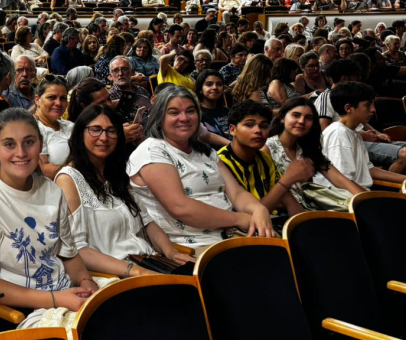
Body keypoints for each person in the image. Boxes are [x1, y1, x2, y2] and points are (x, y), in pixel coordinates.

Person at [0, 109, 97, 325]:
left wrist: (86, 282)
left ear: (41, 145)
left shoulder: (52, 190)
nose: (21, 152)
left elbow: (68, 254)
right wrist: (55, 299)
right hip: (21, 309)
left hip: (64, 292)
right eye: (9, 144)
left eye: (29, 142)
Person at [127, 86, 274, 250]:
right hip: (189, 246)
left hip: (231, 235)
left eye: (190, 111)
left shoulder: (204, 150)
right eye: (174, 112)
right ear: (160, 117)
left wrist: (258, 209)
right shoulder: (152, 151)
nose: (184, 118)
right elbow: (180, 207)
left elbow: (236, 193)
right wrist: (239, 219)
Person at [57, 105, 193, 280]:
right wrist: (136, 271)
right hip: (113, 276)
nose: (104, 138)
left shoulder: (116, 175)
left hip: (147, 262)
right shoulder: (68, 179)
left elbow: (147, 223)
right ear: (79, 134)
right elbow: (77, 249)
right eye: (95, 130)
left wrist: (171, 252)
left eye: (111, 131)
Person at [265, 96, 366, 209]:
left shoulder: (306, 148)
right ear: (282, 118)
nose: (301, 121)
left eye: (308, 118)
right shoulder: (267, 148)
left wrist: (368, 200)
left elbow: (340, 180)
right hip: (278, 212)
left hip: (307, 209)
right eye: (296, 115)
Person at [216, 102, 303, 217]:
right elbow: (252, 215)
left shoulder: (264, 158)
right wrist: (286, 181)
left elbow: (287, 198)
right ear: (232, 130)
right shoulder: (221, 163)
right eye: (249, 125)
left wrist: (304, 222)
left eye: (263, 126)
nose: (258, 130)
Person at [321, 82, 406, 188]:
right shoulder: (338, 134)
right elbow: (343, 182)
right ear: (348, 108)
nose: (373, 109)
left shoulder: (353, 134)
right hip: (348, 196)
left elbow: (370, 170)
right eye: (367, 105)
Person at [196, 70, 229, 141]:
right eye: (209, 84)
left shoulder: (226, 111)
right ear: (200, 89)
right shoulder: (197, 113)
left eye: (219, 84)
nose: (215, 87)